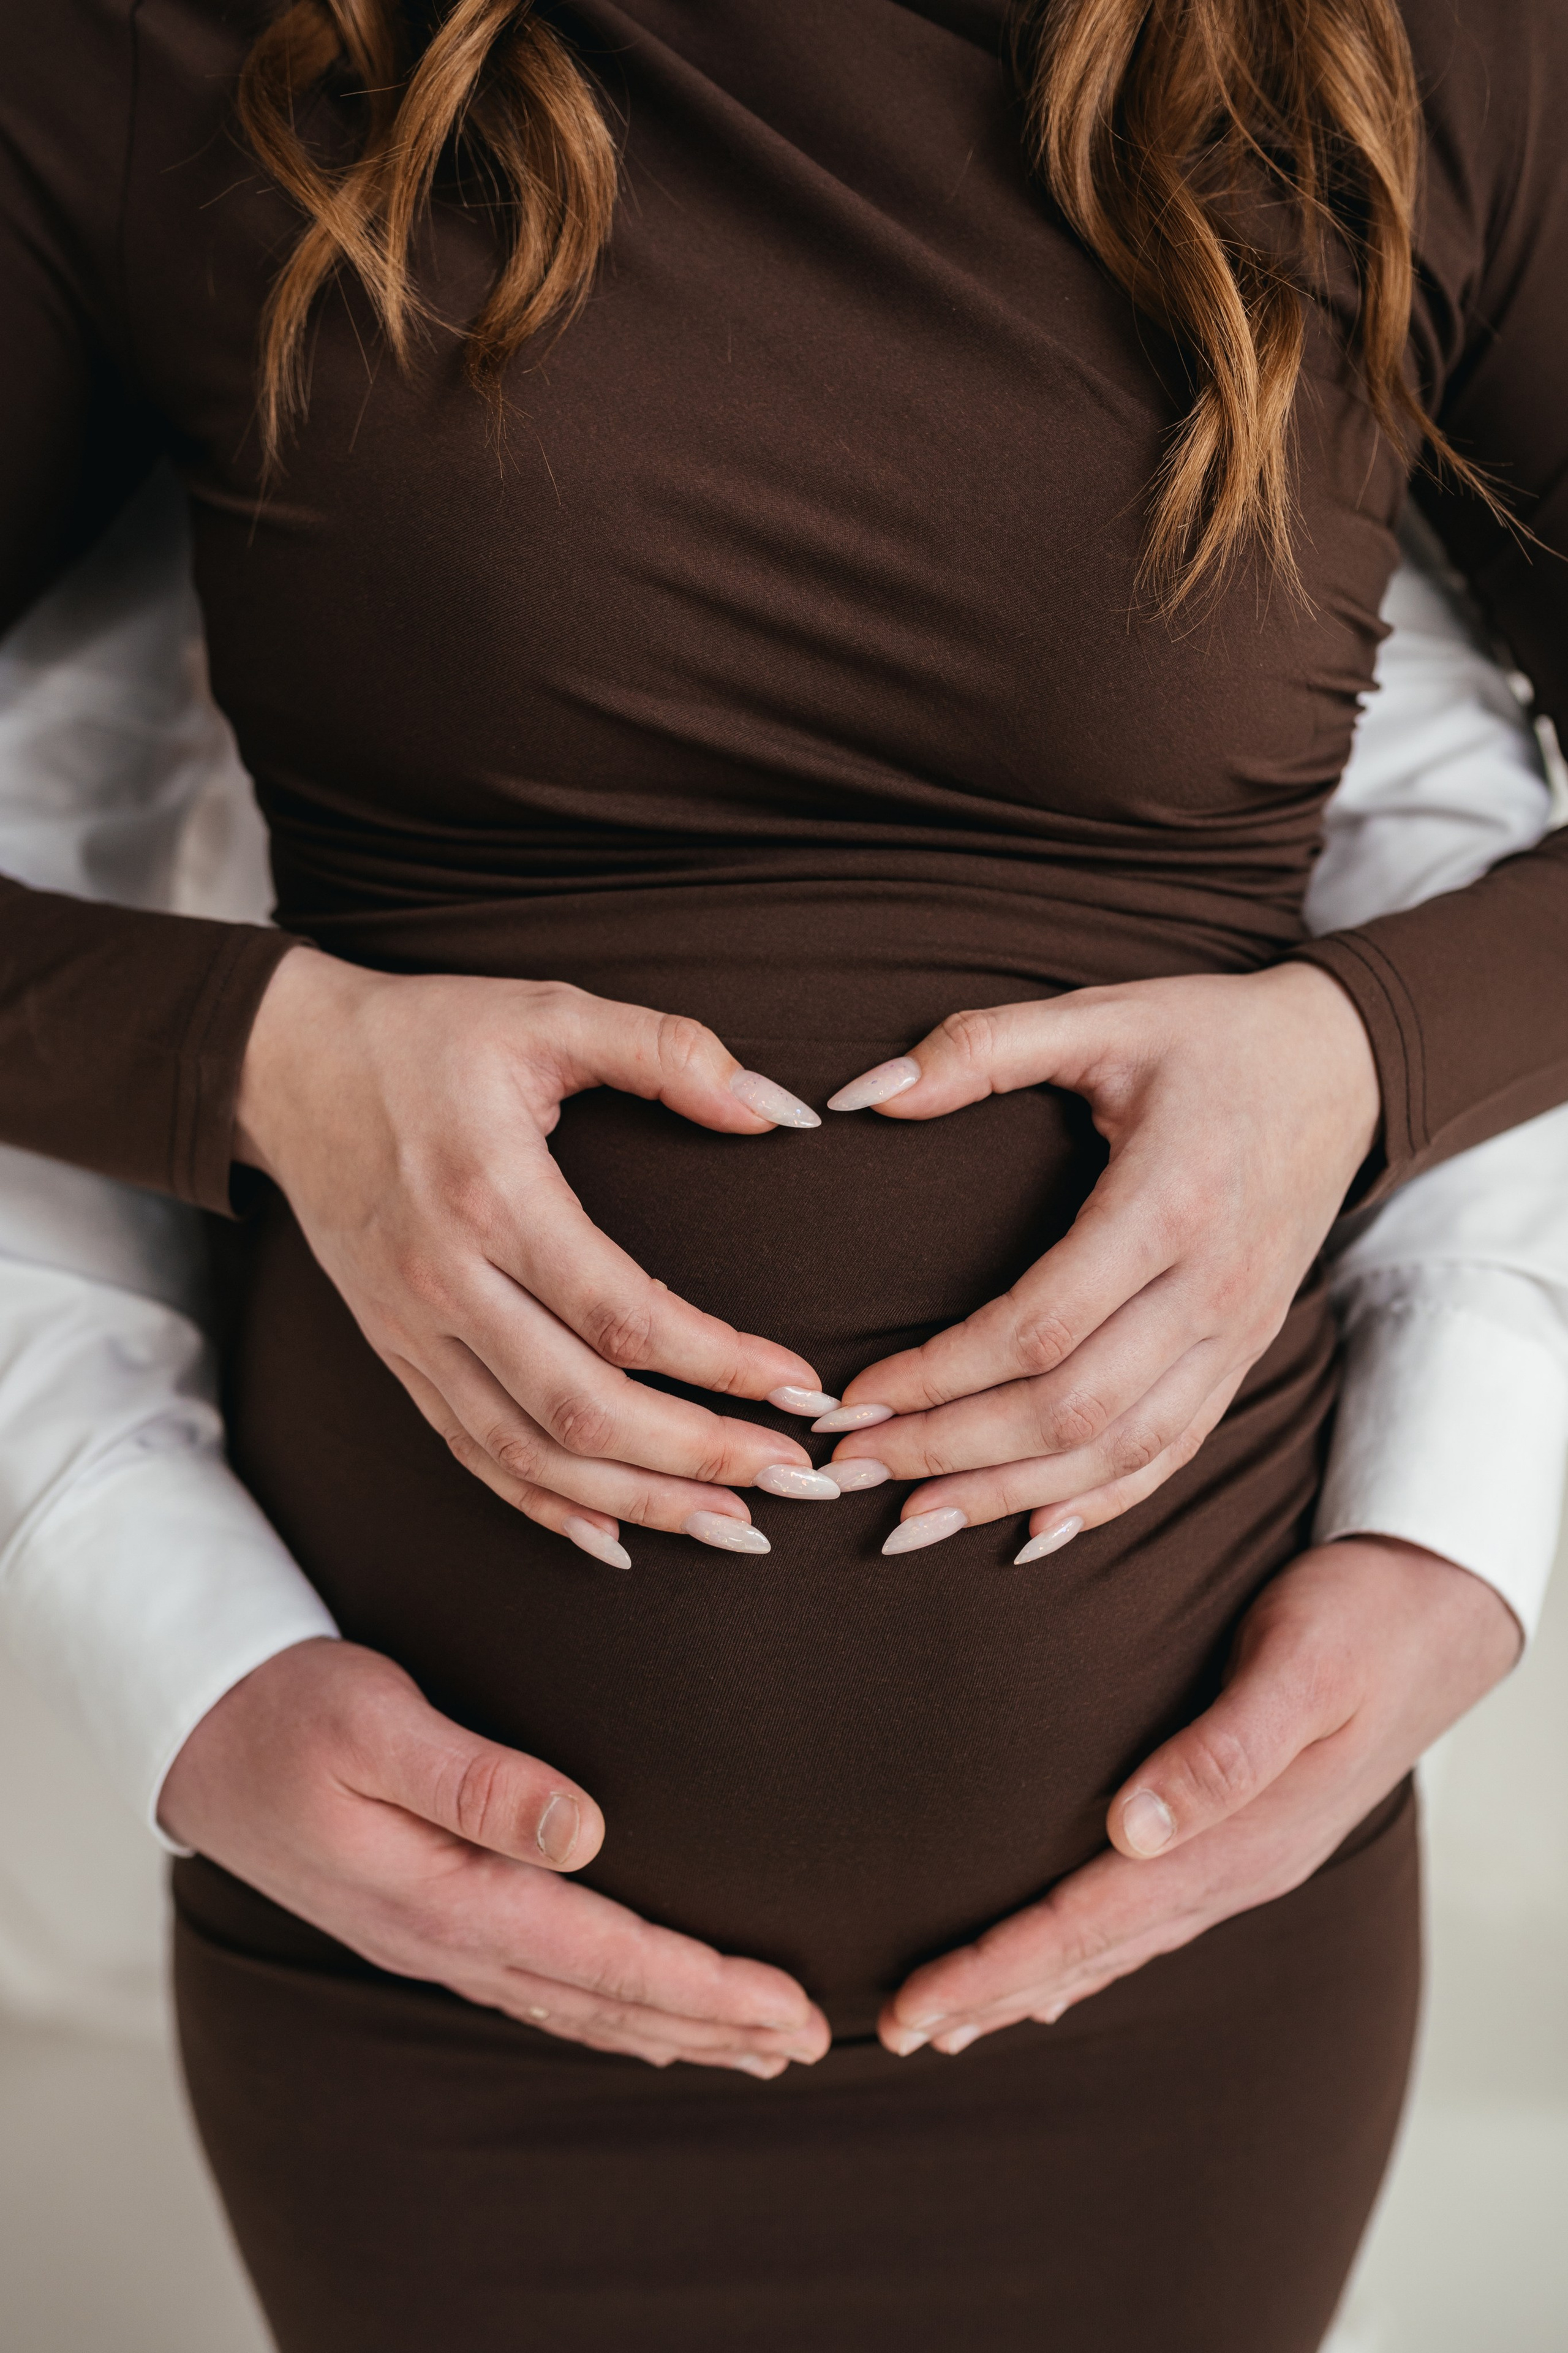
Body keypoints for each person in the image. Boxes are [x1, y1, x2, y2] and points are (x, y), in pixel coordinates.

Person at [0, 4, 1565, 2347]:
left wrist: (1368, 1056)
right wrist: (258, 1059)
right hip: (424, 1992)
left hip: (1178, 1975)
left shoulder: (1411, 48)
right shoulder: (165, 52)